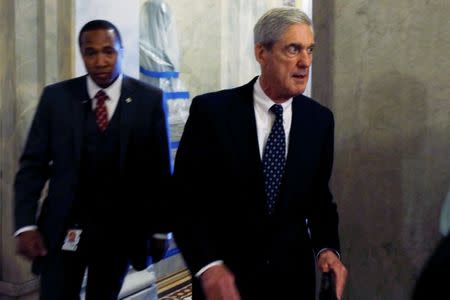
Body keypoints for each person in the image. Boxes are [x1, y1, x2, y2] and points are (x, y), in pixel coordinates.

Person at [173, 7, 347, 300]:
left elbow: (319, 199)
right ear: (261, 52)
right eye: (293, 49)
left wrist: (328, 248)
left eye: (310, 50)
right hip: (227, 283)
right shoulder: (212, 114)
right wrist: (208, 266)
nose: (305, 62)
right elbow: (184, 202)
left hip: (292, 282)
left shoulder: (319, 120)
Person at [14, 20, 171, 299]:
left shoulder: (149, 100)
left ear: (121, 51)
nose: (100, 61)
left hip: (118, 233)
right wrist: (26, 224)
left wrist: (161, 230)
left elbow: (158, 173)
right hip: (64, 228)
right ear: (82, 55)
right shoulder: (57, 98)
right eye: (91, 52)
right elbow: (32, 166)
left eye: (108, 51)